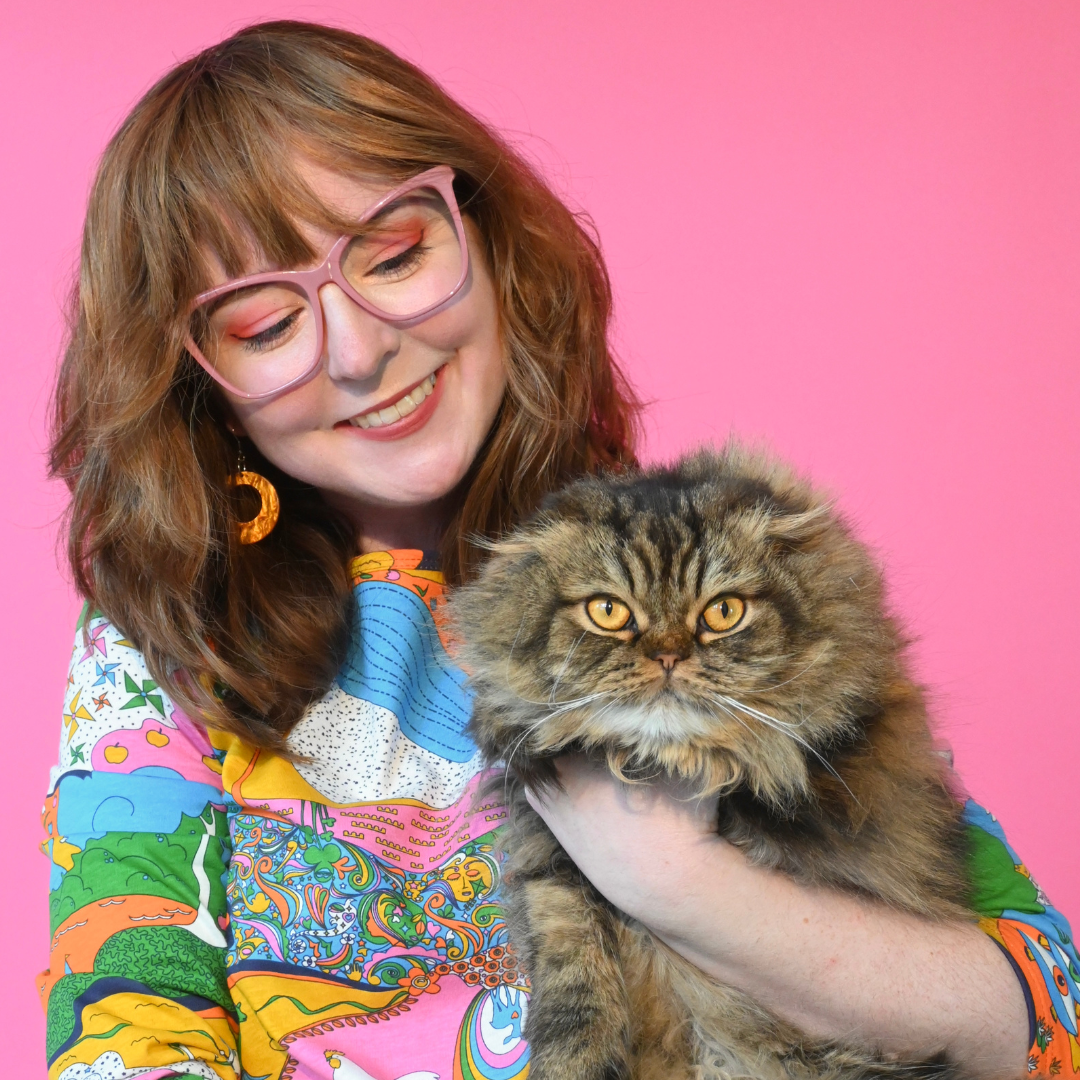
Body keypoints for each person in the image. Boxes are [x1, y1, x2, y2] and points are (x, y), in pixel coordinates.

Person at [39, 20, 1075, 1080]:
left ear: (486, 242)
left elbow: (1047, 1014)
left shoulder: (704, 566)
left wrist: (683, 888)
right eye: (264, 325)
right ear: (197, 383)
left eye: (393, 256)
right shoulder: (166, 641)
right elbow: (124, 1037)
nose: (358, 354)